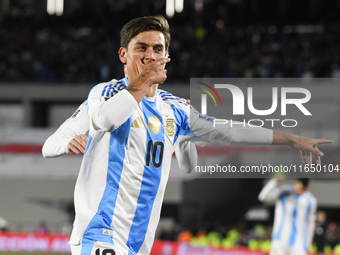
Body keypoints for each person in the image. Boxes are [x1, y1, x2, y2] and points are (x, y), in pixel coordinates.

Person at [69, 16, 331, 255]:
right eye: (142, 48)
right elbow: (103, 119)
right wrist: (144, 81)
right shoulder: (107, 91)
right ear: (123, 54)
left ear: (166, 57)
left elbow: (230, 131)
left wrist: (291, 139)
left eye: (158, 49)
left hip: (138, 242)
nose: (150, 56)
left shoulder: (176, 109)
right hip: (100, 231)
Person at [258, 177, 317, 255]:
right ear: (295, 183)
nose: (300, 191)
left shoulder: (310, 200)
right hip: (280, 240)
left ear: (306, 188)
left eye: (303, 189)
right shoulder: (284, 192)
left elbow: (311, 223)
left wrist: (307, 244)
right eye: (299, 186)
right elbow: (262, 197)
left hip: (299, 243)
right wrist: (274, 182)